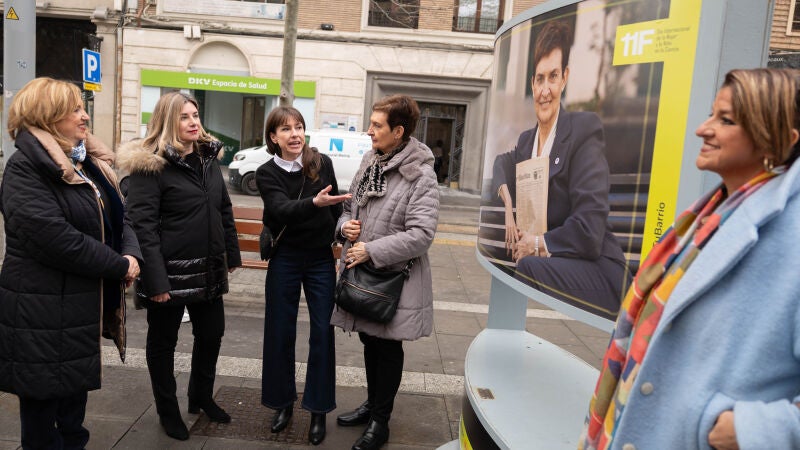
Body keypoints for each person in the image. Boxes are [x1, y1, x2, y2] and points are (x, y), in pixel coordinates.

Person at [580, 68, 800, 449]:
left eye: (725, 120)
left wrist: (752, 430)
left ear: (778, 137)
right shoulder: (710, 213)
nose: (703, 129)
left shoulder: (791, 233)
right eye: (712, 114)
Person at [0, 77, 141, 449]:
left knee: (72, 417)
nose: (85, 117)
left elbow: (120, 216)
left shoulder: (84, 163)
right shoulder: (25, 168)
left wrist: (131, 254)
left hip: (77, 309)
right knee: (43, 423)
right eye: (75, 110)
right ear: (47, 116)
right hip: (41, 312)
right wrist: (118, 265)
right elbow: (55, 240)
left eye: (83, 108)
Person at [118, 91, 241, 441]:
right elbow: (141, 227)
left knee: (211, 335)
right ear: (168, 121)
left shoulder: (207, 157)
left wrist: (230, 254)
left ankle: (200, 396)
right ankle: (168, 411)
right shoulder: (151, 166)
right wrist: (156, 281)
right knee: (163, 344)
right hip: (168, 273)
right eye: (184, 117)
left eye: (195, 115)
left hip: (208, 268)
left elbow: (223, 208)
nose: (193, 122)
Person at [491, 20, 629, 319]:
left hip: (598, 271)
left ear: (564, 77)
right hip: (555, 266)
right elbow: (502, 162)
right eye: (540, 79)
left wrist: (537, 244)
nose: (545, 90)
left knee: (527, 266)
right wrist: (508, 204)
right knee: (517, 264)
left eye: (553, 77)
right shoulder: (527, 141)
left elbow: (589, 228)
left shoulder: (583, 130)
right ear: (532, 83)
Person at [332, 94, 440, 450]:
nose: (369, 131)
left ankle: (380, 421)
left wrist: (372, 250)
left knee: (388, 348)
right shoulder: (371, 160)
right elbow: (349, 207)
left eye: (377, 125)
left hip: (393, 280)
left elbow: (421, 234)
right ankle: (372, 404)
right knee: (370, 340)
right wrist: (344, 226)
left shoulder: (420, 175)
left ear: (398, 131)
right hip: (362, 274)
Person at [257, 106, 351, 446]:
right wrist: (314, 203)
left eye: (298, 127)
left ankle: (318, 409)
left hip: (319, 258)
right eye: (286, 129)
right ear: (273, 137)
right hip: (285, 257)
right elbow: (280, 209)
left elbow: (336, 208)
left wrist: (342, 230)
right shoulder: (266, 173)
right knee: (279, 331)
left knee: (322, 333)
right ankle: (282, 403)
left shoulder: (320, 162)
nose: (294, 134)